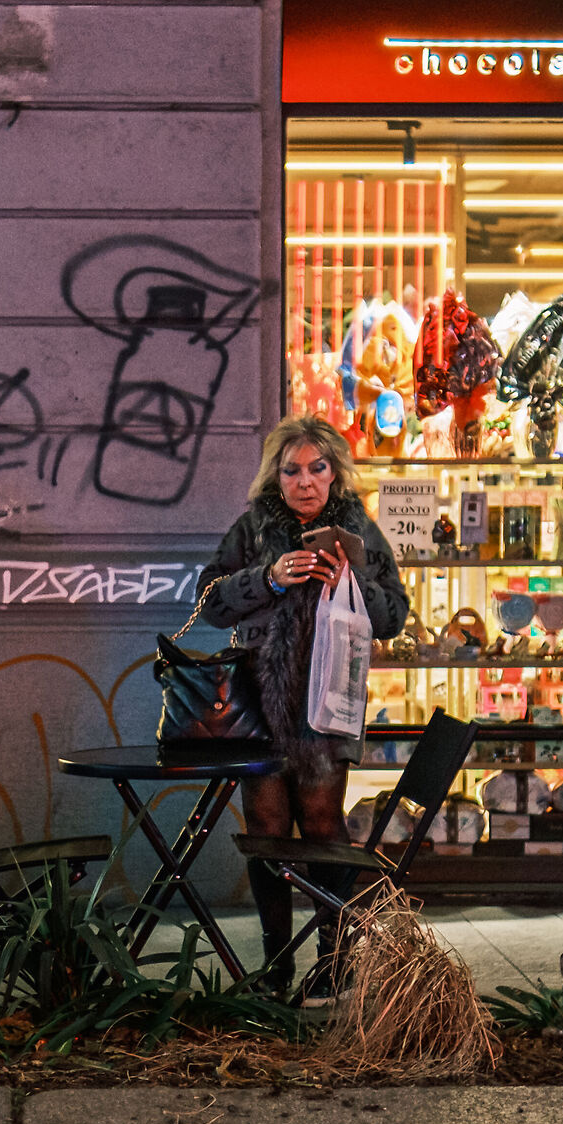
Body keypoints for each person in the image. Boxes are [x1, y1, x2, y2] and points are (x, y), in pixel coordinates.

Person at [195, 414, 410, 997]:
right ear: (276, 476)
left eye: (317, 468)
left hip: (328, 704)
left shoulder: (359, 530)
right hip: (259, 708)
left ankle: (334, 959)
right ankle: (275, 965)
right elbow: (208, 601)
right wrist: (268, 578)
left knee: (320, 824)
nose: (305, 481)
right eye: (291, 470)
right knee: (266, 827)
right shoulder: (253, 530)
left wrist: (353, 579)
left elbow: (395, 615)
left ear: (335, 474)